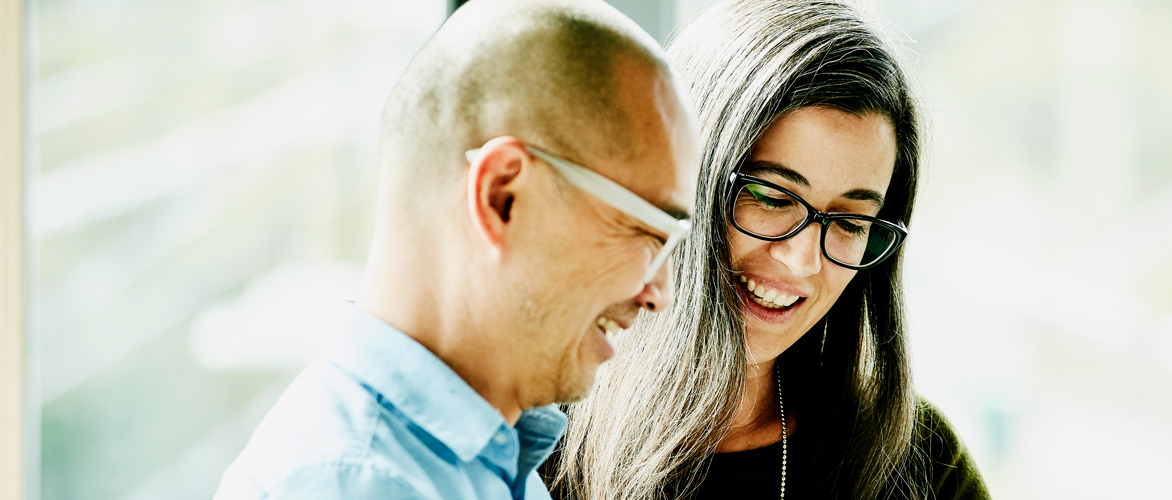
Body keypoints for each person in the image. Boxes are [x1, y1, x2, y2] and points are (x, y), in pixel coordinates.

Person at [212, 0, 699, 497]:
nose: (660, 294)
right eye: (649, 233)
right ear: (502, 198)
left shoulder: (478, 466)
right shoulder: (357, 484)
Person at [544, 1, 990, 499]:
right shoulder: (526, 425)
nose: (803, 260)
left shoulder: (920, 463)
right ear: (681, 175)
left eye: (850, 222)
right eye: (772, 198)